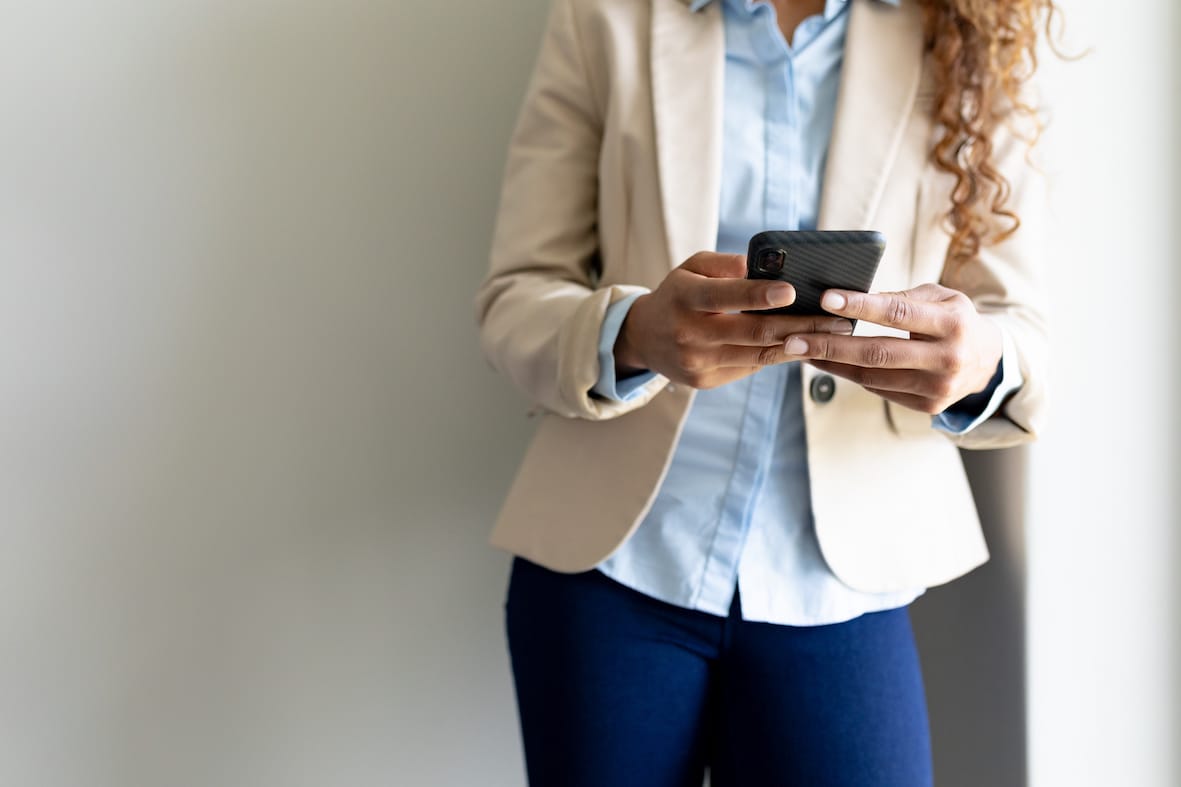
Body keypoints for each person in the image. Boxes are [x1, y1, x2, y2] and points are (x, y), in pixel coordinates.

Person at [475, 0, 1053, 784]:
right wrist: (632, 333)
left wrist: (974, 360)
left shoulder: (964, 29)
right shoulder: (604, 15)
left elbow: (1023, 334)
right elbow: (515, 297)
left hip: (844, 580)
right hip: (614, 569)